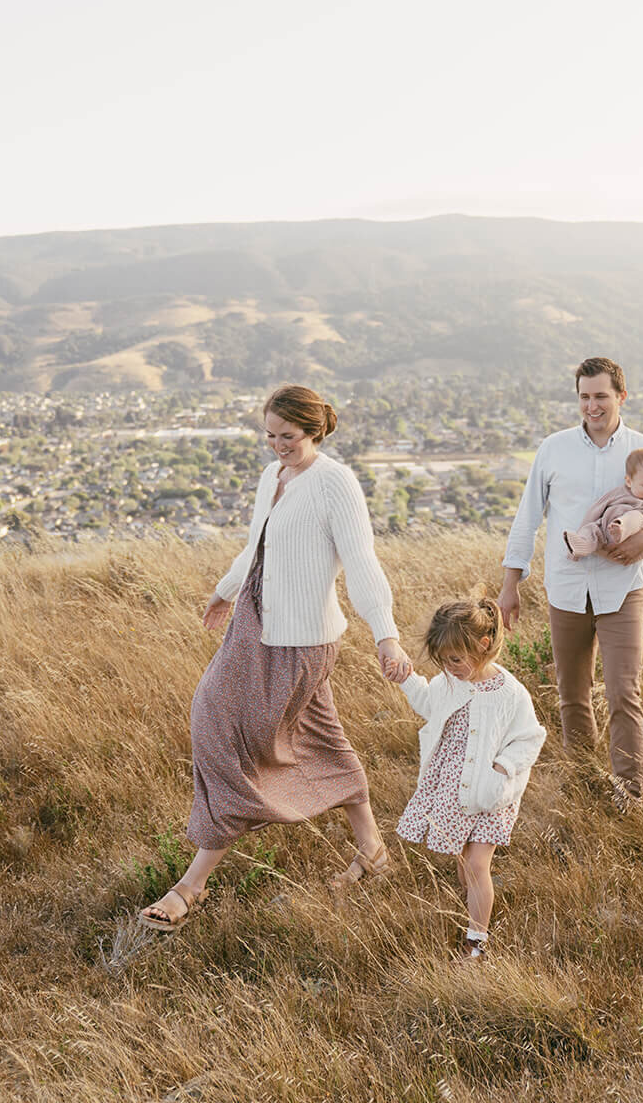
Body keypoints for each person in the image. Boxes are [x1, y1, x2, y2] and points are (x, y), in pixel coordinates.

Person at [140, 384, 411, 931]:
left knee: (226, 733)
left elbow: (361, 562)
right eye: (269, 435)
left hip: (300, 640)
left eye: (287, 436)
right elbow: (255, 546)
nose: (276, 445)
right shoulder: (274, 477)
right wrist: (225, 589)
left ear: (314, 431)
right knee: (319, 737)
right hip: (253, 624)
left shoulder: (335, 483)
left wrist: (386, 634)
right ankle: (373, 852)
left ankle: (192, 884)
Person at [498, 356, 643, 809]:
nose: (592, 406)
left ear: (622, 396)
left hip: (623, 588)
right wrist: (510, 585)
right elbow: (527, 519)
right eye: (584, 397)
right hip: (565, 588)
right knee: (572, 696)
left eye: (601, 396)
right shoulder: (554, 449)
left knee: (624, 692)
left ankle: (630, 795)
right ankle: (584, 792)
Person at [392, 592, 546, 960]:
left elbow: (531, 737)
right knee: (465, 862)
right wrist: (407, 678)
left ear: (484, 644)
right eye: (444, 660)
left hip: (491, 793)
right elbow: (428, 703)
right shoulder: (449, 681)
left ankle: (476, 944)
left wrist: (501, 769)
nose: (450, 666)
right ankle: (472, 911)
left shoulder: (510, 693)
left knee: (478, 865)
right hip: (453, 789)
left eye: (457, 659)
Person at [563, 448, 643, 562]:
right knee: (592, 529)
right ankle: (578, 547)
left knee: (635, 516)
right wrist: (583, 529)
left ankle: (620, 529)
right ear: (629, 481)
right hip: (605, 533)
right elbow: (596, 508)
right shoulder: (619, 493)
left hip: (634, 538)